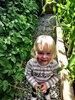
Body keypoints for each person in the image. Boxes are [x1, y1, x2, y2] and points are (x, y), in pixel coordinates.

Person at [25, 35, 59, 100]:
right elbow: (28, 74)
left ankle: (47, 95)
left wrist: (47, 84)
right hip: (35, 82)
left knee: (47, 90)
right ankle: (34, 96)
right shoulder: (31, 63)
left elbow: (57, 76)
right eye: (40, 53)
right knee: (34, 91)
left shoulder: (53, 64)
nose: (44, 56)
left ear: (53, 53)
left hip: (47, 82)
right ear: (35, 52)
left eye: (48, 53)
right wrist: (34, 84)